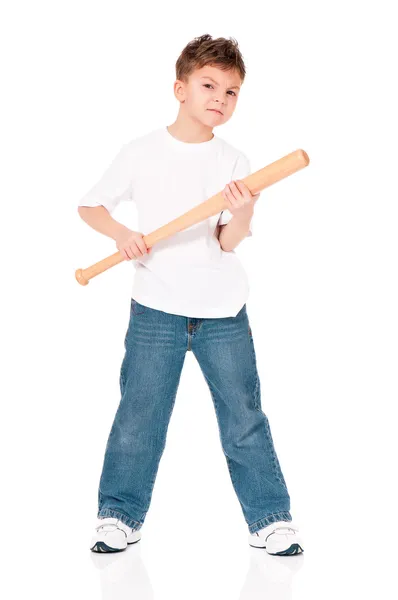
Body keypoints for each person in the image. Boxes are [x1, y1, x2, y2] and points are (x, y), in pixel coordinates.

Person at [78, 34, 304, 556]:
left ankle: (270, 518)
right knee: (140, 413)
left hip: (222, 310)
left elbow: (226, 241)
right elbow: (91, 206)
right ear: (180, 88)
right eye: (209, 85)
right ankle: (119, 515)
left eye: (232, 91)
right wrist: (122, 235)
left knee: (244, 415)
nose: (220, 98)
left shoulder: (234, 159)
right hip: (155, 308)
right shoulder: (141, 151)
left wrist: (244, 210)